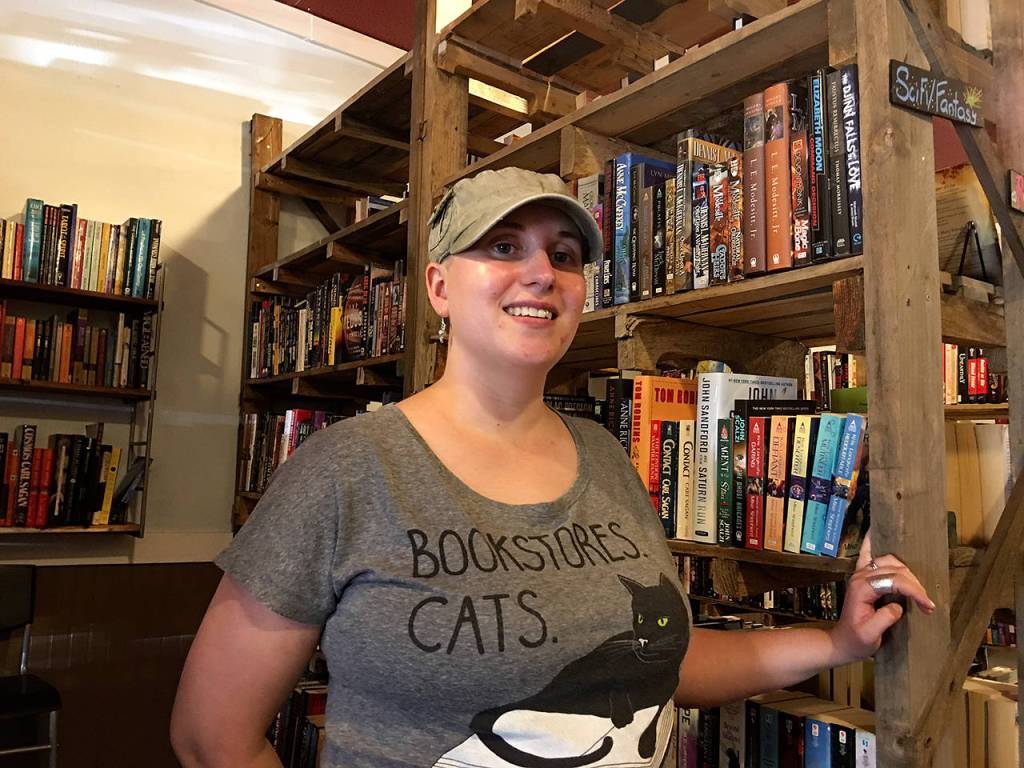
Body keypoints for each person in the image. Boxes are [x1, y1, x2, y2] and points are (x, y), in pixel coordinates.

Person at [170, 167, 935, 768]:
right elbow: (211, 739)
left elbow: (660, 660)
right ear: (438, 287)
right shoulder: (343, 471)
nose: (540, 272)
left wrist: (836, 643)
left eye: (563, 256)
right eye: (504, 247)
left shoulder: (604, 455)